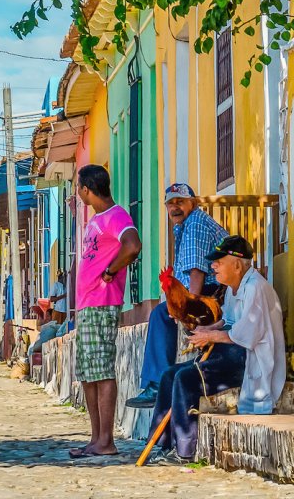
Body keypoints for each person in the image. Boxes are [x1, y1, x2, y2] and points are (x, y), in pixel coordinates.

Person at [149, 235, 285, 463]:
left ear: (237, 264)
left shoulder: (255, 288)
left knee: (186, 379)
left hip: (249, 359)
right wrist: (207, 330)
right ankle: (161, 443)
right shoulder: (233, 289)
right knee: (169, 375)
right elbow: (229, 321)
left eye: (218, 262)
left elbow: (246, 335)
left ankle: (184, 451)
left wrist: (211, 335)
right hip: (232, 353)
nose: (213, 267)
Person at [127, 182, 229, 408]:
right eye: (170, 204)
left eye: (180, 202)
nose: (175, 208)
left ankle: (156, 384)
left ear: (192, 203)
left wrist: (186, 309)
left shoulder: (195, 225)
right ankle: (159, 382)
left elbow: (196, 272)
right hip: (206, 291)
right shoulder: (184, 225)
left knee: (160, 315)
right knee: (164, 312)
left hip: (212, 293)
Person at [70, 164, 141, 459]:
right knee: (88, 373)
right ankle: (96, 438)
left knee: (101, 370)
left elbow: (133, 246)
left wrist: (110, 271)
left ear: (87, 189)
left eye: (78, 186)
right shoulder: (96, 220)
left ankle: (106, 440)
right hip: (88, 305)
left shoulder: (116, 216)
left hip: (102, 303)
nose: (78, 192)